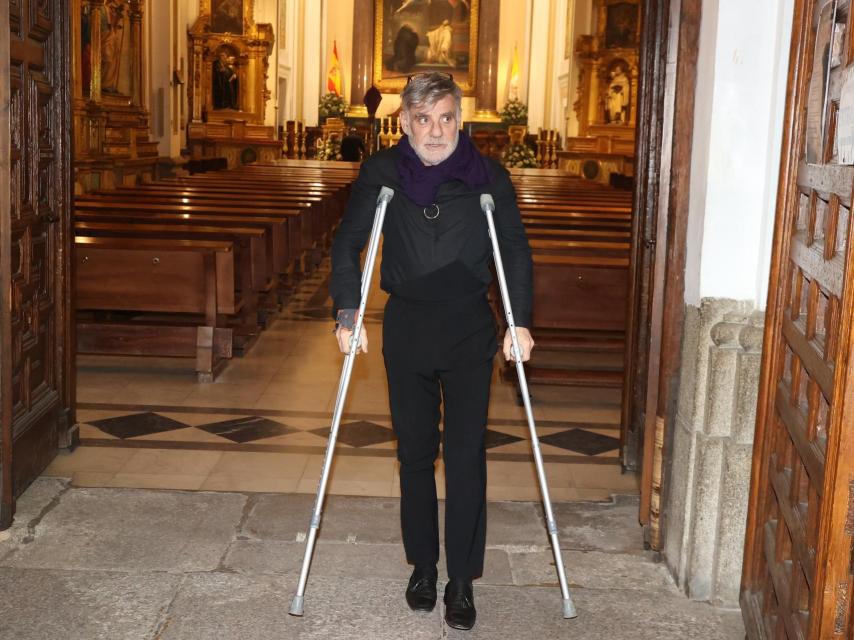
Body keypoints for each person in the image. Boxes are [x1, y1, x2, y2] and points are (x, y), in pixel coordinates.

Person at [329, 73, 533, 631]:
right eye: (423, 119)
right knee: (415, 454)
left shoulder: (489, 177)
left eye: (445, 117)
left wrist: (520, 321)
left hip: (469, 325)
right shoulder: (381, 173)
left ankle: (462, 579)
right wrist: (348, 310)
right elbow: (349, 242)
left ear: (459, 117)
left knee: (466, 455)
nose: (435, 130)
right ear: (404, 123)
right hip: (408, 325)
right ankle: (423, 565)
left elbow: (513, 248)